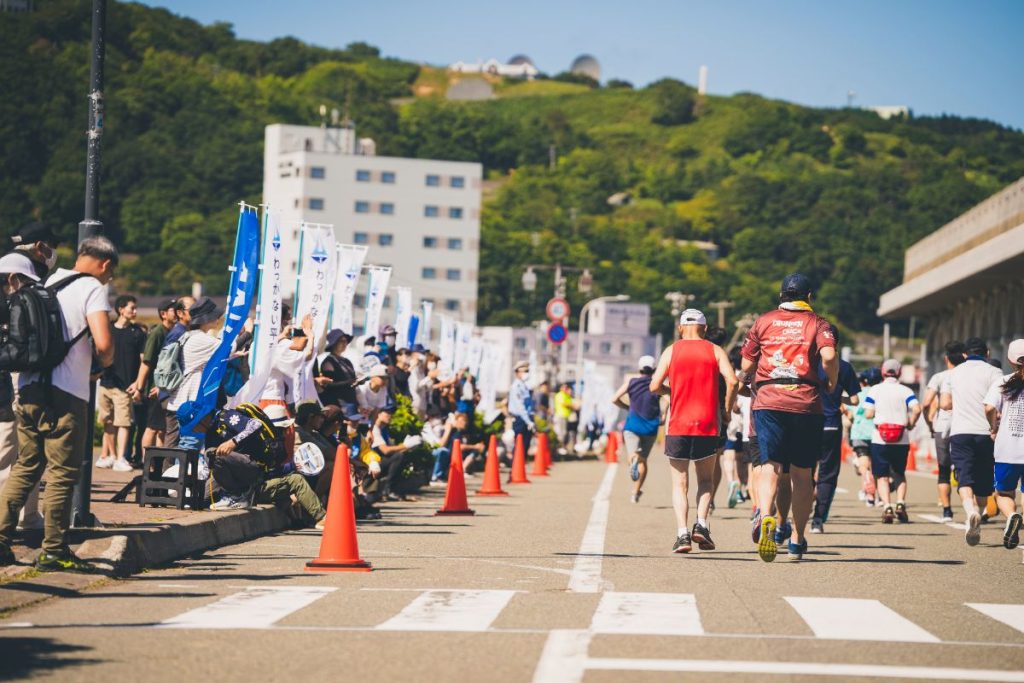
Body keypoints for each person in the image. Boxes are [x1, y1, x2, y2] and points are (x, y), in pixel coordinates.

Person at [0, 236, 118, 572]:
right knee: (63, 473)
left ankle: (1, 539)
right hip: (66, 394)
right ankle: (54, 550)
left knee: (26, 467)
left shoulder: (45, 281)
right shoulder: (92, 287)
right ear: (105, 264)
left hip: (29, 388)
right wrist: (102, 365)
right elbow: (105, 343)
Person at [738, 273, 837, 562]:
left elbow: (746, 364)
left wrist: (745, 381)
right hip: (806, 402)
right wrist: (830, 381)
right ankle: (797, 539)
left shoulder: (764, 321)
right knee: (802, 473)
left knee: (769, 466)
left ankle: (766, 514)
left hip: (768, 400)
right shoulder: (819, 323)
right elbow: (829, 356)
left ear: (782, 296)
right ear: (808, 297)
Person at [650, 309, 737, 554]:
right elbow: (732, 381)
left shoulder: (671, 350)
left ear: (680, 328)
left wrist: (671, 392)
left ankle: (682, 535)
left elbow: (654, 386)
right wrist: (727, 410)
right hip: (708, 423)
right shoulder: (715, 350)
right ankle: (701, 524)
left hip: (678, 424)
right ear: (705, 329)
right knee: (706, 480)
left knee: (680, 483)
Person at [940, 337, 1005, 546]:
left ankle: (971, 512)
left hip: (960, 432)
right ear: (987, 353)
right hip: (987, 432)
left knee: (964, 477)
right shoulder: (995, 372)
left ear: (965, 354)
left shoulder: (954, 373)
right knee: (984, 482)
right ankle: (979, 513)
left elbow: (945, 403)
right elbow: (1000, 403)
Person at [0, 253, 45, 530]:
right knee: (18, 454)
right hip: (11, 388)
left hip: (8, 388)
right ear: (13, 280)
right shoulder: (15, 305)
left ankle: (24, 516)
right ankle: (19, 519)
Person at [810, 325, 861, 533]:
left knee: (803, 470)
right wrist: (838, 397)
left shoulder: (809, 363)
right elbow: (855, 400)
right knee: (828, 474)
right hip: (831, 424)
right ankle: (818, 520)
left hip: (808, 422)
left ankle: (798, 512)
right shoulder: (845, 367)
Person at [166, 297, 228, 451]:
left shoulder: (190, 336)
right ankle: (178, 473)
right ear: (206, 319)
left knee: (187, 444)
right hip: (190, 400)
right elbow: (226, 348)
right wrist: (247, 331)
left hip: (184, 398)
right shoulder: (200, 339)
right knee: (190, 444)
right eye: (215, 316)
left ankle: (178, 472)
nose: (218, 319)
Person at [863, 359, 920, 524]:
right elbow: (917, 408)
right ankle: (900, 503)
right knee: (899, 474)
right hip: (901, 438)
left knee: (881, 476)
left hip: (880, 438)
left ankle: (887, 506)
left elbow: (868, 414)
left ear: (883, 372)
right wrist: (910, 423)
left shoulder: (875, 390)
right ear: (899, 372)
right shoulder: (905, 390)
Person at [96, 294, 146, 472]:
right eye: (132, 308)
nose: (135, 311)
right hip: (105, 382)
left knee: (123, 423)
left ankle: (120, 457)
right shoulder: (108, 329)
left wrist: (138, 384)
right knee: (107, 421)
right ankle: (109, 455)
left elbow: (143, 361)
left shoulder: (137, 333)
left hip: (125, 385)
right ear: (121, 309)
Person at [984, 339, 1024, 550]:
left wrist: (993, 427)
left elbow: (989, 408)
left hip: (1008, 449)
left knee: (1004, 493)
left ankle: (1011, 515)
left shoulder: (1003, 381)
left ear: (1010, 360)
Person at [922, 341, 966, 521]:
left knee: (943, 470)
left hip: (943, 426)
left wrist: (929, 422)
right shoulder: (968, 376)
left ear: (946, 358)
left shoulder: (939, 377)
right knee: (966, 469)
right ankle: (971, 508)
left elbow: (926, 403)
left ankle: (947, 511)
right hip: (965, 425)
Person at [612, 355, 663, 504]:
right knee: (643, 461)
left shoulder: (631, 382)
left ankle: (633, 459)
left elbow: (614, 398)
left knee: (632, 454)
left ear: (639, 369)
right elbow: (669, 400)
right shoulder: (656, 384)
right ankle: (636, 491)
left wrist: (627, 407)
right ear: (654, 369)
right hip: (651, 427)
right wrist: (664, 415)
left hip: (632, 425)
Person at [133, 298, 177, 453]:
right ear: (163, 314)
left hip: (166, 387)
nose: (177, 312)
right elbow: (147, 362)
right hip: (155, 389)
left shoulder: (173, 332)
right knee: (152, 427)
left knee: (162, 429)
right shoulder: (157, 333)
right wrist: (139, 388)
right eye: (173, 310)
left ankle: (158, 464)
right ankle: (147, 463)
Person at [849, 368, 882, 507]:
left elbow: (850, 415)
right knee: (876, 466)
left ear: (863, 381)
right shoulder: (881, 393)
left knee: (864, 465)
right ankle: (876, 497)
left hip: (859, 432)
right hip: (876, 433)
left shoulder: (858, 394)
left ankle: (869, 493)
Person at [368, 403, 414, 502]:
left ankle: (395, 490)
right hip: (372, 463)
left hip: (380, 461)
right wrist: (405, 445)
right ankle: (387, 490)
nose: (390, 415)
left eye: (392, 413)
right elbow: (386, 450)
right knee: (399, 456)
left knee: (404, 455)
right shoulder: (374, 429)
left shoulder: (384, 429)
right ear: (378, 414)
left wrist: (409, 447)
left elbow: (391, 449)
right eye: (387, 413)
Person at [430, 412, 484, 483]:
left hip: (460, 456)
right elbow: (459, 446)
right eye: (462, 421)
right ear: (456, 422)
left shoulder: (465, 432)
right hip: (450, 456)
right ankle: (438, 476)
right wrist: (475, 446)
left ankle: (463, 470)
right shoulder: (454, 432)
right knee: (442, 451)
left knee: (474, 452)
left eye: (465, 421)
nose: (464, 423)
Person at [315, 328, 358, 409]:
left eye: (346, 341)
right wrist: (347, 383)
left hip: (351, 400)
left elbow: (353, 378)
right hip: (339, 402)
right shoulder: (328, 362)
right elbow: (328, 385)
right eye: (341, 341)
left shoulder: (347, 361)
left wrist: (357, 381)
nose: (345, 343)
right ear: (334, 343)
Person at [508, 361, 536, 457]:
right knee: (519, 446)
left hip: (526, 418)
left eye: (527, 371)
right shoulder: (516, 386)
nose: (526, 373)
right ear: (517, 372)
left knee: (525, 446)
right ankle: (514, 470)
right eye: (524, 371)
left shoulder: (524, 386)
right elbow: (520, 406)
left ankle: (520, 469)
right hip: (520, 419)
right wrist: (528, 421)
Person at [553, 383, 575, 454]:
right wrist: (572, 406)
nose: (566, 389)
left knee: (565, 433)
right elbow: (564, 404)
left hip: (566, 416)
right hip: (560, 416)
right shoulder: (560, 395)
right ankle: (560, 448)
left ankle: (563, 447)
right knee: (561, 433)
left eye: (566, 387)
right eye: (564, 387)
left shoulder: (566, 395)